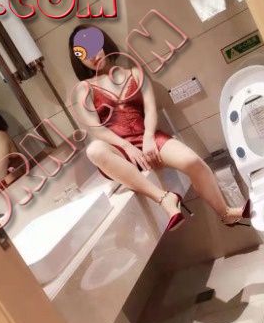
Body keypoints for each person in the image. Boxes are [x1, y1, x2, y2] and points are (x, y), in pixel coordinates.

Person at [69, 24, 250, 232]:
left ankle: (226, 213)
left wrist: (148, 138)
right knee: (94, 150)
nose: (91, 55)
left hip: (147, 137)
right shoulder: (83, 89)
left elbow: (150, 110)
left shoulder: (135, 73)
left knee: (193, 162)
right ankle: (164, 199)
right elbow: (97, 130)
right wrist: (127, 147)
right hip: (117, 150)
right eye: (83, 53)